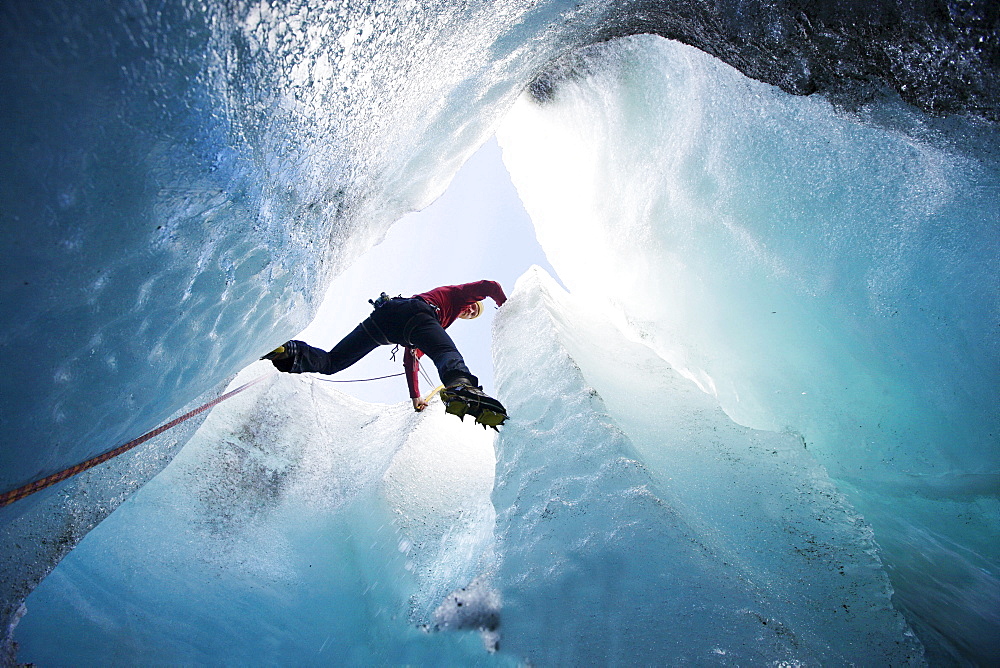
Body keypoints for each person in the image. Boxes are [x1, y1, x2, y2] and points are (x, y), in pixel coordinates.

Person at [263, 280, 508, 428]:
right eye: (473, 307)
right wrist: (506, 306)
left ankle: (286, 352)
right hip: (417, 311)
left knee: (332, 363)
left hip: (383, 324)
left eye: (474, 314)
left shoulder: (440, 325)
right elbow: (490, 287)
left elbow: (411, 359)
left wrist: (415, 397)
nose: (471, 310)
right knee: (445, 351)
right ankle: (461, 386)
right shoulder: (456, 296)